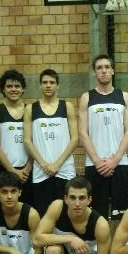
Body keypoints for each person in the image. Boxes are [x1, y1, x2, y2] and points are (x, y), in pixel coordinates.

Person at [78, 54, 128, 220]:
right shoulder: (86, 97)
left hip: (120, 164)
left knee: (121, 215)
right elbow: (82, 132)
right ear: (95, 72)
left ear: (113, 71)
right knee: (96, 215)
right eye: (99, 68)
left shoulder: (124, 96)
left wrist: (115, 160)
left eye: (107, 67)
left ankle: (119, 246)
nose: (103, 71)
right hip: (94, 165)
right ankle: (98, 246)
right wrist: (97, 161)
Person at [23, 69, 78, 216]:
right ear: (40, 85)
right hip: (42, 172)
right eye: (45, 82)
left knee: (66, 215)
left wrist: (57, 164)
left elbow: (75, 139)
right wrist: (43, 164)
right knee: (43, 215)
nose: (48, 85)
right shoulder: (30, 108)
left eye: (52, 82)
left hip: (64, 171)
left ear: (57, 85)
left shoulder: (67, 107)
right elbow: (27, 140)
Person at [0, 69, 32, 203]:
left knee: (27, 211)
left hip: (27, 172)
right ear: (2, 89)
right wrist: (12, 171)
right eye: (9, 86)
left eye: (17, 86)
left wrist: (27, 168)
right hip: (4, 171)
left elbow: (35, 143)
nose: (13, 89)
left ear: (23, 89)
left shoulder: (30, 110)